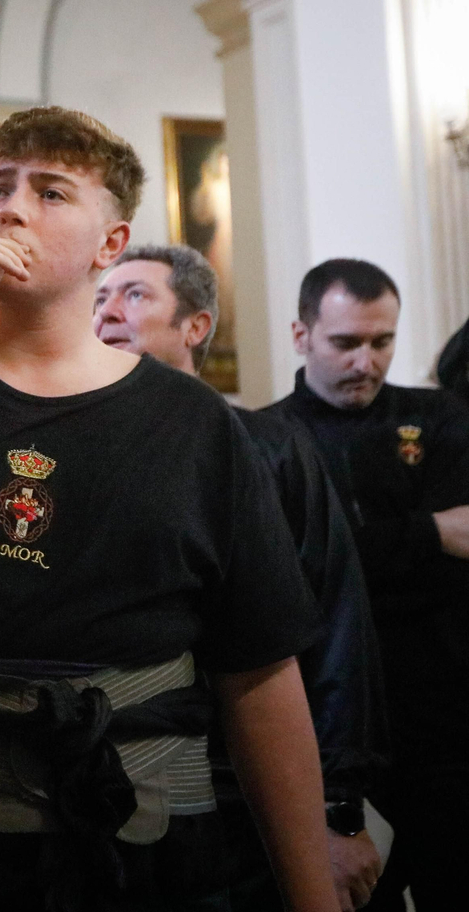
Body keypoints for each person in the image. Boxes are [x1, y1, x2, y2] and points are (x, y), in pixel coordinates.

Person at [0, 106, 337, 912]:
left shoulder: (194, 426)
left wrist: (311, 896)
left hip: (141, 841)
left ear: (109, 245)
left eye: (51, 193)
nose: (11, 208)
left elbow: (258, 673)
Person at [94, 244, 387, 911]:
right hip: (104, 787)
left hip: (241, 791)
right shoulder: (72, 452)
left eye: (135, 295)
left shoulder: (268, 448)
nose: (108, 311)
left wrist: (335, 812)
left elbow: (336, 627)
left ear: (195, 326)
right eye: (99, 298)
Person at [267, 259, 469, 912]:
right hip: (330, 724)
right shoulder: (267, 439)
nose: (367, 361)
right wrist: (424, 535)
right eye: (346, 343)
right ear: (302, 336)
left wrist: (344, 561)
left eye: (382, 341)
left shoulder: (438, 418)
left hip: (444, 717)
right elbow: (285, 579)